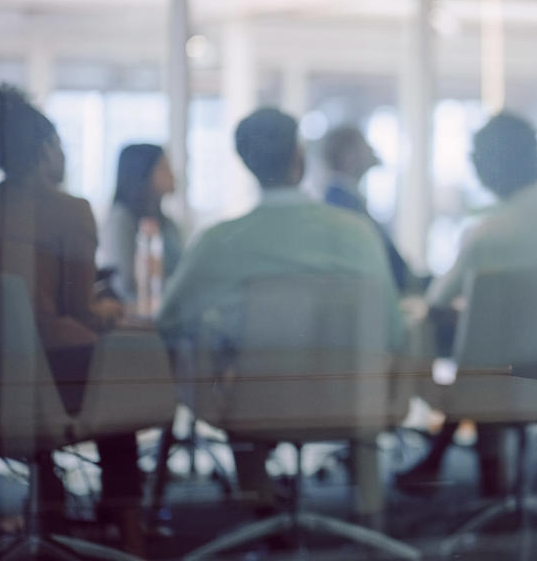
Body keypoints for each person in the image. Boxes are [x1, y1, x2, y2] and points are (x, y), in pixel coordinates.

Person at [156, 107, 404, 520]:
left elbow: (169, 322)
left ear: (246, 164)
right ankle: (369, 515)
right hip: (353, 399)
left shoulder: (218, 242)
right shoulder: (357, 233)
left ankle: (261, 508)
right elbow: (392, 333)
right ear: (299, 157)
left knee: (233, 369)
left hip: (256, 405)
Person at [395, 111, 537, 494]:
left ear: (487, 169)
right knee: (490, 354)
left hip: (496, 386)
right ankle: (444, 462)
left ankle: (472, 475)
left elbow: (435, 302)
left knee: (476, 354)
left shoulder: (486, 235)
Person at [0, 85, 144, 554]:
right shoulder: (69, 209)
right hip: (50, 368)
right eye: (59, 144)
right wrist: (110, 310)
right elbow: (79, 309)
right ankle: (131, 536)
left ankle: (43, 505)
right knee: (122, 382)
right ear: (43, 149)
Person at [321, 124, 422, 293]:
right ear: (348, 157)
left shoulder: (344, 202)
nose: (371, 150)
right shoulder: (345, 207)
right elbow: (392, 268)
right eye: (364, 146)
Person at [99, 143, 183, 304]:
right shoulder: (120, 219)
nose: (173, 175)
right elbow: (124, 282)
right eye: (164, 168)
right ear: (142, 173)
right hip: (136, 317)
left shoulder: (169, 224)